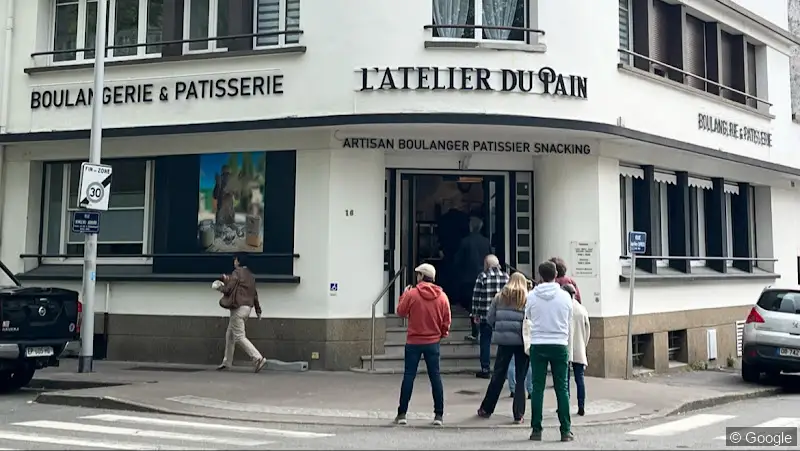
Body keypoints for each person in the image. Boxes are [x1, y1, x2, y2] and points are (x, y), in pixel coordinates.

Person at [394, 263, 452, 427]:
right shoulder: (442, 297)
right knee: (435, 377)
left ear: (421, 277)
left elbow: (400, 312)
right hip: (433, 342)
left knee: (409, 376)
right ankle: (438, 415)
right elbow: (446, 319)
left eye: (418, 274)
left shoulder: (412, 294)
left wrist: (403, 296)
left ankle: (402, 413)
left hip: (413, 341)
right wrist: (442, 334)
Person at [526, 261, 574, 442]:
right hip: (559, 343)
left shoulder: (532, 296)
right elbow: (568, 319)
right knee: (562, 388)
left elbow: (528, 316)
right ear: (556, 275)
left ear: (540, 275)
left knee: (537, 388)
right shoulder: (565, 297)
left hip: (538, 343)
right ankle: (565, 430)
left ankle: (536, 430)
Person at [477, 272, 531, 424]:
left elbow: (490, 318)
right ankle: (518, 414)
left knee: (498, 375)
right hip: (522, 341)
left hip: (504, 341)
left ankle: (486, 409)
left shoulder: (499, 297)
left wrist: (499, 328)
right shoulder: (527, 299)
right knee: (521, 377)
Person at [216, 253, 267, 373]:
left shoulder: (237, 272)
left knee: (239, 336)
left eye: (235, 259)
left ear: (238, 261)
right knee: (230, 334)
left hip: (238, 308)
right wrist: (258, 310)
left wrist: (219, 287)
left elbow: (229, 288)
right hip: (247, 308)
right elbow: (254, 294)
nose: (234, 262)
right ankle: (226, 362)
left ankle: (258, 358)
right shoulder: (250, 276)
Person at [469, 254, 509, 378]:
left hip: (485, 315)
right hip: (501, 315)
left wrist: (474, 313)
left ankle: (485, 369)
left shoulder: (483, 276)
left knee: (485, 341)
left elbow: (476, 296)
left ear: (487, 264)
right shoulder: (506, 277)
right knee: (503, 343)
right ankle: (502, 369)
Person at [456, 216, 492, 340]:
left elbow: (458, 260)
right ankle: (484, 329)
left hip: (468, 278)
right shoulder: (486, 241)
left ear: (471, 227)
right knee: (484, 302)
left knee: (472, 304)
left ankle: (475, 331)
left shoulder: (465, 241)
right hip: (484, 276)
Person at [563, 283, 590, 416]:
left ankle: (564, 405)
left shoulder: (563, 308)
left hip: (564, 346)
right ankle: (581, 405)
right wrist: (583, 345)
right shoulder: (581, 309)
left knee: (564, 378)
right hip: (579, 347)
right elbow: (587, 331)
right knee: (579, 378)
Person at [508, 277, 535, 399]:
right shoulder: (529, 298)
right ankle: (530, 389)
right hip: (525, 334)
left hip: (509, 334)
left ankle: (513, 389)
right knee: (528, 364)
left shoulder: (505, 297)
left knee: (512, 363)